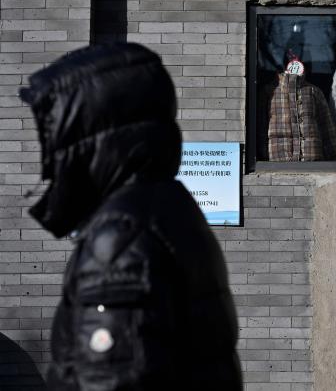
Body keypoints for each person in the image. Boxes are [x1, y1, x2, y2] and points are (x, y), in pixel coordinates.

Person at [19, 43, 242, 390]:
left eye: (53, 135)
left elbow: (109, 381)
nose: (48, 157)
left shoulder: (121, 235)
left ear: (85, 136)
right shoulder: (165, 208)